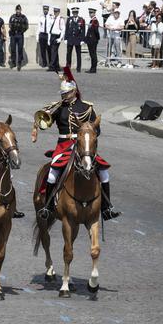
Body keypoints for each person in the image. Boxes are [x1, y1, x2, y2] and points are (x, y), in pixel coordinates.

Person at [33, 67, 119, 220]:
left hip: (83, 146)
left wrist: (89, 136)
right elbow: (45, 123)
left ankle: (106, 207)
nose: (64, 96)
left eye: (66, 93)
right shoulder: (58, 108)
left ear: (74, 91)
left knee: (104, 173)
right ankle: (48, 206)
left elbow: (96, 129)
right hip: (64, 145)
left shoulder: (86, 107)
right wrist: (40, 123)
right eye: (63, 94)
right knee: (52, 174)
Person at [8, 4, 28, 70]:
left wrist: (22, 30)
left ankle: (19, 63)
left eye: (19, 10)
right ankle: (13, 63)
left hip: (20, 35)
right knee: (13, 49)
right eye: (17, 10)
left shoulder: (23, 17)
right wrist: (12, 28)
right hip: (13, 35)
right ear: (15, 10)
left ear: (20, 10)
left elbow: (26, 26)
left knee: (20, 49)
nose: (18, 11)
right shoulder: (12, 16)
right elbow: (10, 24)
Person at [48, 7, 65, 72]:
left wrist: (60, 38)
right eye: (54, 12)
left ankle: (52, 66)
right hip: (52, 35)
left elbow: (63, 29)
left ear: (59, 12)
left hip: (57, 36)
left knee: (53, 51)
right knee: (55, 52)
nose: (55, 13)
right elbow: (50, 28)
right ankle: (57, 66)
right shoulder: (52, 18)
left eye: (57, 12)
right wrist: (49, 39)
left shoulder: (61, 19)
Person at [85, 8, 101, 73]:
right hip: (90, 40)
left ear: (94, 13)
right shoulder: (92, 21)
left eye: (91, 13)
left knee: (93, 54)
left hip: (93, 40)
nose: (90, 14)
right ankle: (92, 68)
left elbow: (96, 31)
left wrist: (96, 38)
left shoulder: (95, 21)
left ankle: (93, 68)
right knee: (92, 54)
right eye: (89, 13)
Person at [38, 4, 52, 69]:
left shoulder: (51, 17)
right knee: (42, 50)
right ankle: (44, 63)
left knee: (49, 50)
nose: (45, 11)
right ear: (43, 10)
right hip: (42, 35)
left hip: (48, 35)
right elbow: (39, 27)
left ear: (48, 10)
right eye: (44, 9)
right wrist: (37, 36)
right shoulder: (41, 17)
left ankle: (50, 63)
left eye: (46, 9)